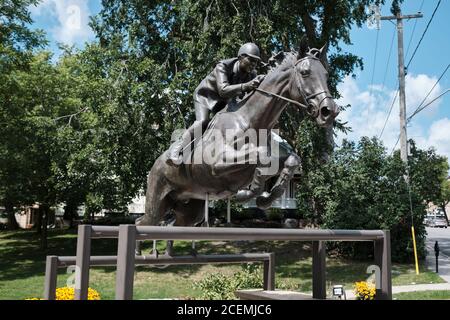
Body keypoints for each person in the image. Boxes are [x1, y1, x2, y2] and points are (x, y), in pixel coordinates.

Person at [167, 42, 265, 166]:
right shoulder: (223, 66)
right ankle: (176, 148)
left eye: (256, 62)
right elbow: (223, 90)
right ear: (241, 58)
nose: (253, 64)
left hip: (225, 101)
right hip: (206, 96)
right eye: (251, 60)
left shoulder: (252, 74)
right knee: (202, 122)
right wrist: (246, 86)